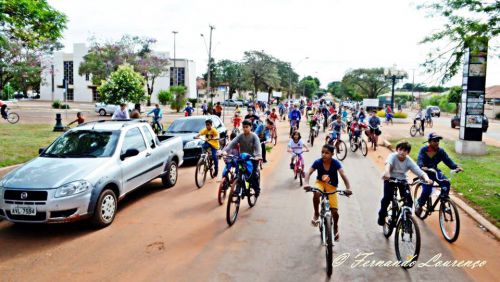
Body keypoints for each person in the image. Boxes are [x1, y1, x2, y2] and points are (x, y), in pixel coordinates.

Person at [303, 144, 352, 241]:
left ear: (332, 154)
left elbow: (343, 174)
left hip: (332, 186)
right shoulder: (318, 162)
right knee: (316, 193)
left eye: (327, 153)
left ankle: (335, 227)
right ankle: (316, 213)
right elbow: (309, 172)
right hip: (320, 183)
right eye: (322, 152)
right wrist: (306, 183)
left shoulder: (335, 163)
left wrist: (348, 188)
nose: (324, 155)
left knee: (334, 212)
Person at [377, 141, 432, 226]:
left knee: (408, 200)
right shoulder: (393, 156)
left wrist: (426, 178)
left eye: (405, 150)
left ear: (408, 152)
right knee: (387, 198)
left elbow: (418, 170)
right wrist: (387, 173)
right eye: (400, 149)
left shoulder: (408, 160)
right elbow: (388, 164)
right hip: (390, 178)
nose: (402, 152)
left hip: (402, 180)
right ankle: (381, 215)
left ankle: (407, 220)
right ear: (397, 150)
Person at [415, 133, 463, 216]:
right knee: (427, 190)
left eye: (438, 141)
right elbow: (420, 159)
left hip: (435, 171)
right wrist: (422, 166)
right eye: (434, 141)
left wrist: (456, 167)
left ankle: (444, 202)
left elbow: (448, 160)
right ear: (429, 142)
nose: (437, 142)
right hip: (425, 173)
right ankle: (420, 204)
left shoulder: (440, 151)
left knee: (446, 182)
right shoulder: (424, 150)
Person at [222, 119, 263, 196]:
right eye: (243, 127)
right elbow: (232, 143)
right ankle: (238, 190)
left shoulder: (254, 136)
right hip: (242, 158)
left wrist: (258, 156)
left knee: (253, 175)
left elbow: (258, 147)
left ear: (250, 127)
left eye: (247, 127)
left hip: (253, 158)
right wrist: (225, 151)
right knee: (238, 174)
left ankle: (257, 190)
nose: (245, 128)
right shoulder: (240, 136)